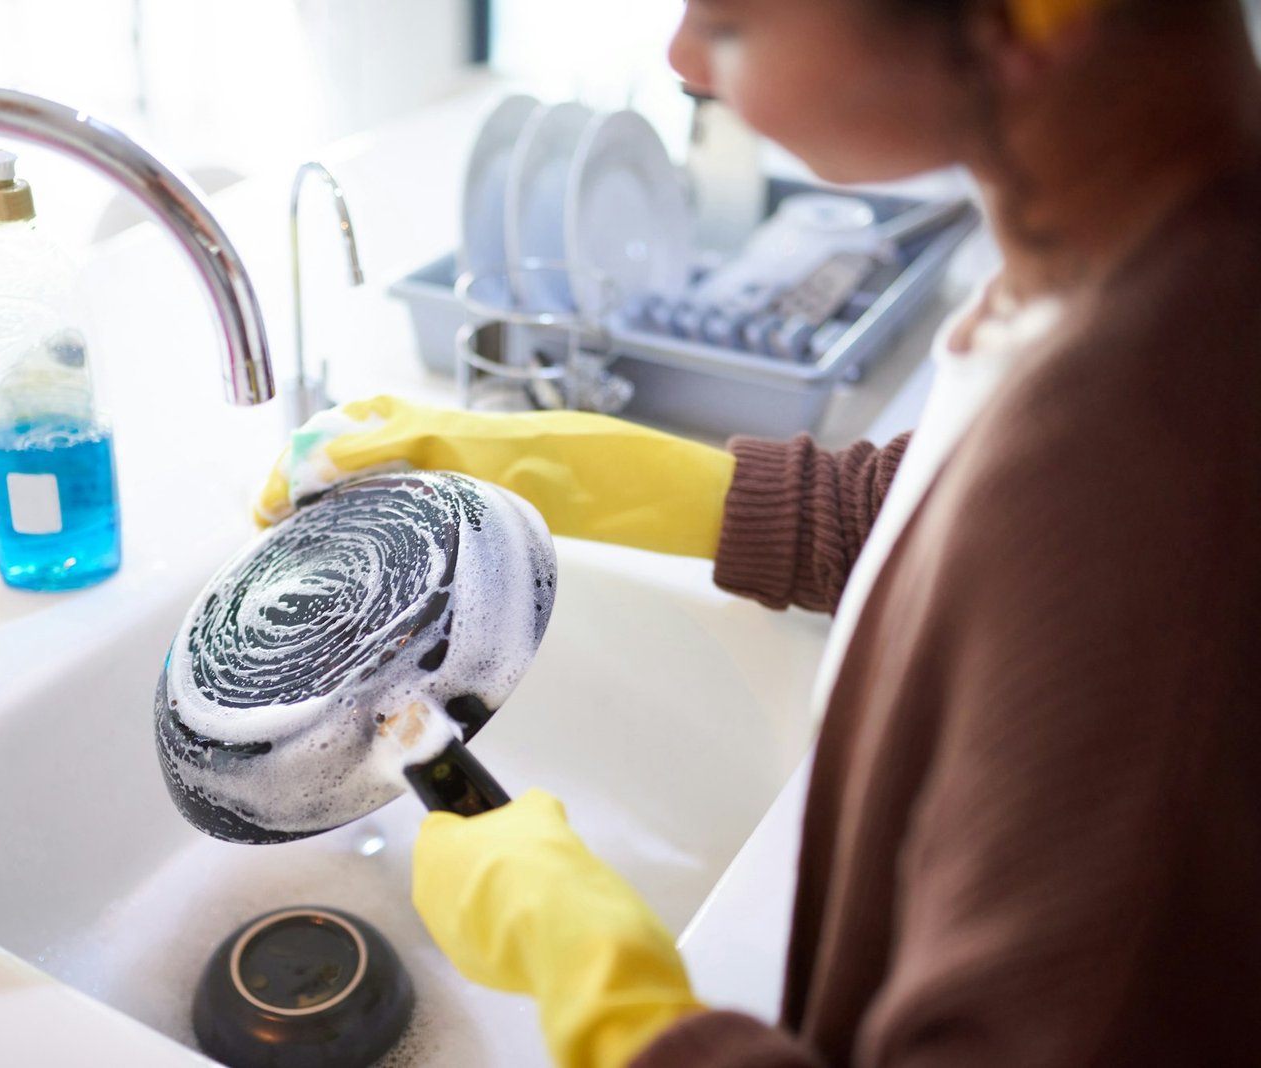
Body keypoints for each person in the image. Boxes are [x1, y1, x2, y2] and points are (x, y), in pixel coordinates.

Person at [257, 0, 1261, 1063]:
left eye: (733, 19)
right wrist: (550, 462)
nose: (682, 56)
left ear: (1021, 24)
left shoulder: (1156, 456)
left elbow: (1069, 542)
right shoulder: (1142, 274)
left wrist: (591, 972)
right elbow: (939, 523)